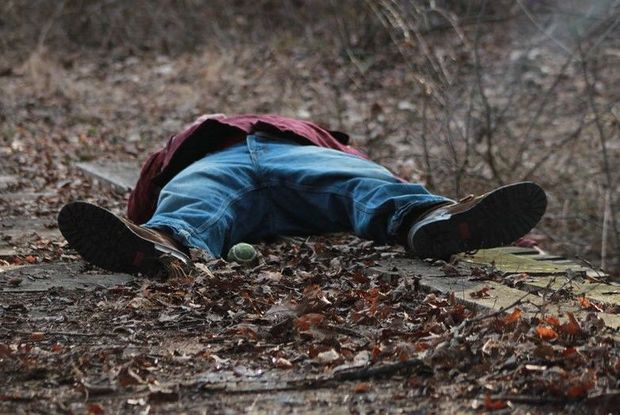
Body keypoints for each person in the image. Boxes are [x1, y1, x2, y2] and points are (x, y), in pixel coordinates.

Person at [58, 114, 547, 276]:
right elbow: (148, 192)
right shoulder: (193, 141)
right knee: (195, 201)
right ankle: (167, 244)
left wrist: (497, 235)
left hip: (296, 159)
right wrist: (138, 230)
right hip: (218, 166)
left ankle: (435, 222)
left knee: (362, 187)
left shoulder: (314, 136)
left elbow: (366, 173)